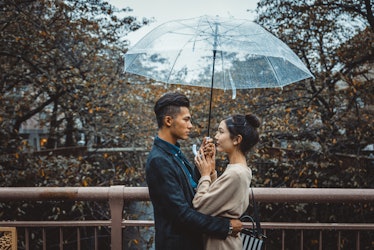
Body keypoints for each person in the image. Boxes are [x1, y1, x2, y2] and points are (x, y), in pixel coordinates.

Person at [145, 92, 243, 250]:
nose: (190, 125)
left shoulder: (175, 153)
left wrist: (204, 160)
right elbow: (181, 214)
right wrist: (226, 227)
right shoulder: (159, 161)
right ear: (168, 121)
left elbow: (191, 189)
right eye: (186, 119)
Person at [193, 113, 261, 250]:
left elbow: (200, 206)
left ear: (236, 139)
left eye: (221, 131)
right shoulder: (240, 170)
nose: (216, 137)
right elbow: (219, 199)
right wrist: (212, 172)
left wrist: (205, 175)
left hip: (222, 244)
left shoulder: (236, 173)